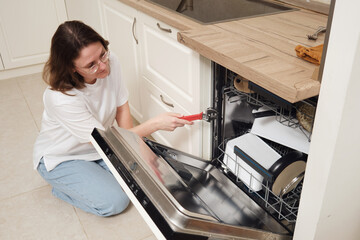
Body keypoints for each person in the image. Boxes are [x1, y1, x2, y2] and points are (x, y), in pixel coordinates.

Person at [33, 20, 192, 217]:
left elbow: (122, 109)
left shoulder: (110, 61)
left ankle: (96, 177)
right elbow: (105, 139)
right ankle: (62, 186)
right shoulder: (60, 98)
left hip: (101, 146)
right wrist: (155, 124)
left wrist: (135, 149)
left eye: (102, 55)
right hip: (65, 157)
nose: (102, 66)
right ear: (71, 68)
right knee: (116, 201)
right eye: (91, 65)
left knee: (143, 182)